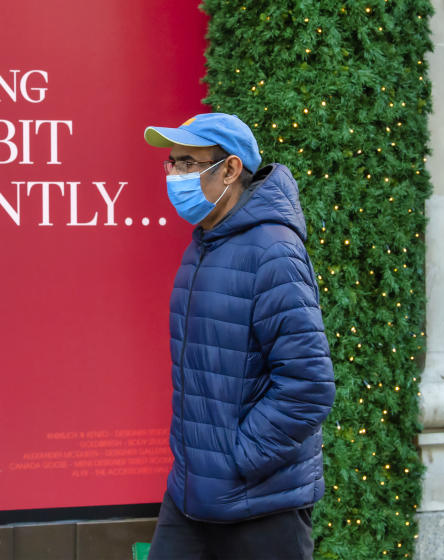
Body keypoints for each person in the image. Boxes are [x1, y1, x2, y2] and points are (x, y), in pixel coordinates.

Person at [143, 113, 335, 560]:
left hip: (261, 507)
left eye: (188, 163)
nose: (175, 176)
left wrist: (239, 459)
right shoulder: (205, 246)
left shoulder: (273, 251)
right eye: (172, 163)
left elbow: (308, 386)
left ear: (230, 170)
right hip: (192, 495)